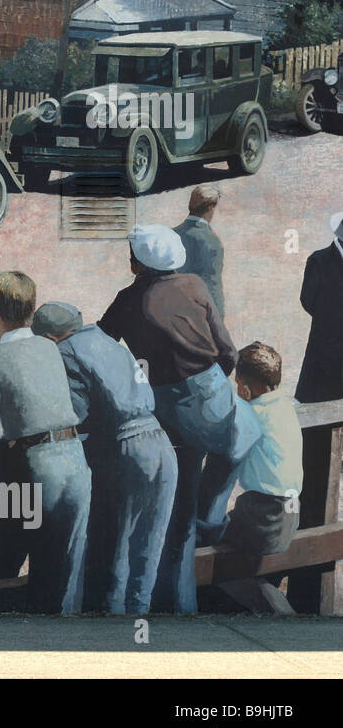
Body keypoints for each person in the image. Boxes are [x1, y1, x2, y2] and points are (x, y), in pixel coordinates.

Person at [99, 223, 259, 614]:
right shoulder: (195, 285)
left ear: (140, 264)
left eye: (132, 254)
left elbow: (102, 345)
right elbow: (229, 353)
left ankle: (177, 605)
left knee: (177, 515)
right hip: (212, 396)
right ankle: (211, 517)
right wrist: (210, 381)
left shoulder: (128, 301)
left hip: (168, 412)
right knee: (248, 434)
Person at [33, 300, 177, 615]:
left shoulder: (65, 352)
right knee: (149, 549)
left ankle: (108, 634)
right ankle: (138, 625)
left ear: (48, 338)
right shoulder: (108, 341)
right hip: (161, 444)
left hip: (126, 450)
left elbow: (76, 413)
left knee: (117, 553)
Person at [0, 270, 91, 614]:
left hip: (35, 471)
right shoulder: (50, 348)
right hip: (76, 465)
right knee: (57, 575)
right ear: (31, 311)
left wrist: (6, 441)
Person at [220, 342, 303, 556]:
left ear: (246, 387)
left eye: (238, 384)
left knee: (210, 534)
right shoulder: (285, 406)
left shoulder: (251, 413)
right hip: (291, 516)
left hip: (264, 517)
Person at [295, 211, 343, 404]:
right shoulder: (319, 260)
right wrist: (329, 316)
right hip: (326, 338)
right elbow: (307, 298)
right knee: (321, 401)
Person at [175, 184, 225, 316]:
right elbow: (213, 286)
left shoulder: (171, 234)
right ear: (210, 207)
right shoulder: (212, 242)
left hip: (171, 311)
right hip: (198, 315)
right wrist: (219, 319)